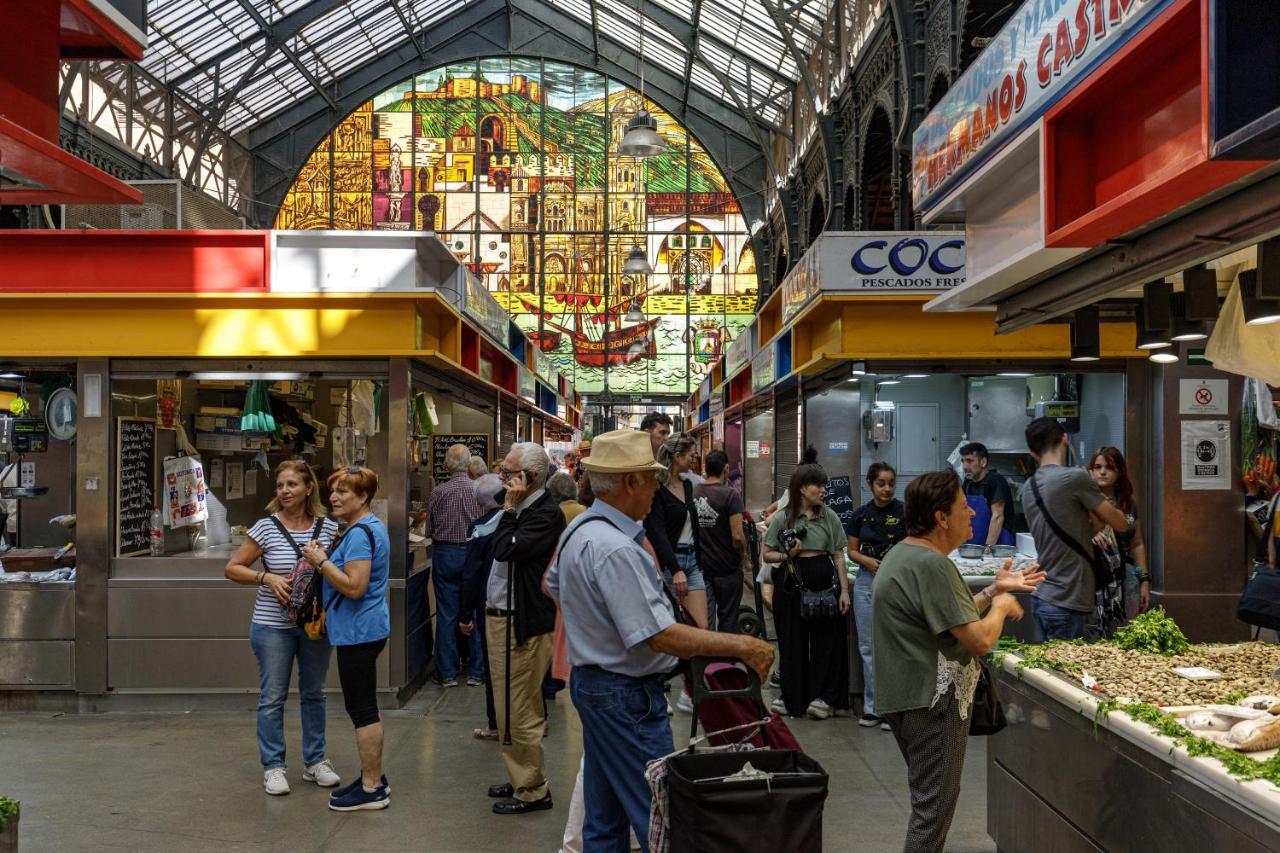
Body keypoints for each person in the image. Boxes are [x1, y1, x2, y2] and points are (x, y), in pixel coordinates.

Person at [545, 429, 775, 851]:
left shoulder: (580, 531)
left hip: (595, 687)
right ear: (631, 482)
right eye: (652, 478)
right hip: (625, 697)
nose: (659, 487)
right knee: (662, 820)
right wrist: (743, 645)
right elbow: (661, 636)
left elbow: (552, 586)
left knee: (604, 819)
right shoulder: (616, 549)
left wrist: (596, 624)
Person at [872, 470, 1045, 853]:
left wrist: (993, 589)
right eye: (964, 507)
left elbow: (951, 621)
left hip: (906, 697)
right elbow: (980, 640)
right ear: (941, 517)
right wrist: (1001, 606)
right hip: (931, 702)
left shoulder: (905, 554)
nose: (972, 514)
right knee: (932, 814)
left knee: (929, 804)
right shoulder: (931, 565)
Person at [224, 460, 341, 796]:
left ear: (308, 488)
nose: (285, 491)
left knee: (314, 694)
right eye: (280, 485)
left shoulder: (329, 529)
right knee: (273, 697)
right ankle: (273, 767)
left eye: (292, 484)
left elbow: (336, 575)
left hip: (315, 626)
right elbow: (232, 568)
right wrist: (266, 576)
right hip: (271, 626)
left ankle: (315, 762)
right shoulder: (265, 527)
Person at [301, 466, 393, 812]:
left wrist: (321, 561)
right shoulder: (364, 528)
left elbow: (355, 587)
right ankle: (371, 776)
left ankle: (371, 788)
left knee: (363, 710)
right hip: (362, 630)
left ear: (364, 496)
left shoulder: (359, 534)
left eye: (343, 492)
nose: (334, 498)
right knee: (362, 707)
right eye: (333, 491)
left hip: (359, 632)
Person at [486, 442, 565, 815]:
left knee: (520, 706)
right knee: (508, 704)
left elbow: (504, 548)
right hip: (503, 618)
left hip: (523, 623)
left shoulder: (543, 513)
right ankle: (520, 773)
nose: (501, 478)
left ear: (529, 478)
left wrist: (509, 509)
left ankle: (532, 788)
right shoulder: (524, 510)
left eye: (508, 472)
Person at [1021, 418, 1130, 641]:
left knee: (1044, 673)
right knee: (1066, 675)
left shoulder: (1028, 488)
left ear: (1032, 453)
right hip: (1068, 600)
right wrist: (1097, 498)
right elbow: (1121, 523)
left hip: (1043, 597)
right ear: (1065, 439)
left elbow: (1081, 534)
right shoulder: (1075, 478)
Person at [761, 463, 851, 721]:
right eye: (818, 485)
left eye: (825, 485)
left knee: (826, 643)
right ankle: (793, 698)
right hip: (790, 585)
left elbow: (839, 555)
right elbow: (767, 555)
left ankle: (823, 698)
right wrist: (788, 554)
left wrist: (843, 591)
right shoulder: (782, 517)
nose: (823, 490)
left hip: (825, 587)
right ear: (802, 488)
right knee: (792, 643)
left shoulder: (829, 516)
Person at [846, 462, 906, 730]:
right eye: (881, 483)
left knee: (894, 647)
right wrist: (867, 562)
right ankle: (872, 708)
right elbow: (852, 551)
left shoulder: (905, 512)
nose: (887, 488)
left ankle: (894, 708)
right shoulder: (859, 515)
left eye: (891, 483)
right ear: (870, 484)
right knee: (868, 647)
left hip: (897, 585)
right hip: (866, 583)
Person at [428, 443, 483, 688]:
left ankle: (447, 673)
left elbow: (429, 530)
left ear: (447, 464)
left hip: (445, 553)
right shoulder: (478, 491)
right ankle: (476, 672)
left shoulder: (438, 492)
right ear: (469, 463)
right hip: (473, 552)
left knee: (447, 614)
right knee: (474, 612)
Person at [645, 433, 710, 631]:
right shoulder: (657, 488)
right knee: (672, 626)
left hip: (692, 561)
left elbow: (694, 525)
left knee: (702, 626)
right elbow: (657, 532)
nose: (694, 458)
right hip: (669, 564)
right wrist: (674, 569)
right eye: (691, 454)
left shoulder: (688, 484)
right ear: (677, 456)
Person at [460, 474, 507, 741]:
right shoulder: (515, 521)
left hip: (487, 603)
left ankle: (495, 721)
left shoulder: (479, 528)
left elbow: (471, 573)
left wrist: (465, 615)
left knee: (493, 664)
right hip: (514, 602)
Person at [1088, 447, 1151, 618]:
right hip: (1093, 580)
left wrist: (1144, 580)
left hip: (1126, 577)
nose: (1102, 472)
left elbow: (1136, 545)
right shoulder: (1083, 503)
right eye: (1098, 467)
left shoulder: (1128, 503)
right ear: (1090, 472)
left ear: (1119, 473)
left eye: (1109, 467)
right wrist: (1090, 533)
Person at [693, 449, 751, 633]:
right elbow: (737, 536)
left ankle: (708, 659)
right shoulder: (730, 495)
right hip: (727, 569)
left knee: (706, 622)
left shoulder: (694, 492)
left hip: (701, 569)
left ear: (706, 468)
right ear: (726, 468)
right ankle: (726, 660)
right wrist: (742, 557)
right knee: (728, 621)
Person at [959, 442, 1016, 549]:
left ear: (983, 462)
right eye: (963, 461)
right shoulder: (967, 483)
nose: (965, 466)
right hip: (975, 546)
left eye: (970, 461)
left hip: (998, 547)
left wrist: (988, 547)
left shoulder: (996, 481)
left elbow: (998, 516)